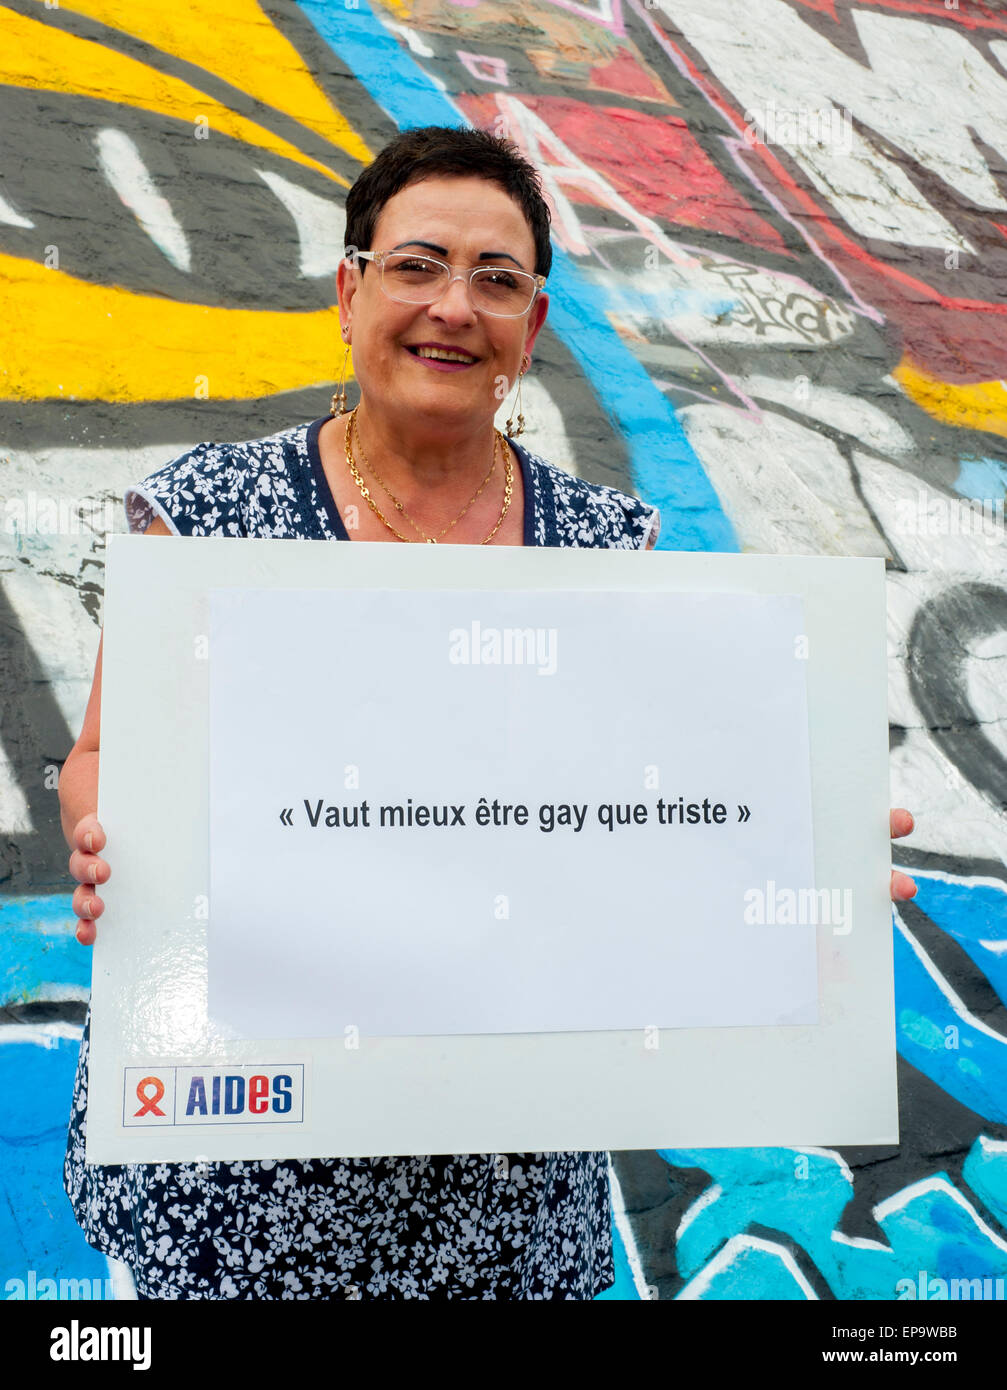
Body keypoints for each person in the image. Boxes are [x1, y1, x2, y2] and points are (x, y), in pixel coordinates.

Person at [59, 125, 918, 1300]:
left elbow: (651, 827)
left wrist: (802, 878)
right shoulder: (206, 517)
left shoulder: (611, 549)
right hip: (234, 1187)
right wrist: (111, 840)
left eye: (496, 279)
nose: (452, 307)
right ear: (349, 289)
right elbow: (104, 755)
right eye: (415, 265)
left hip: (502, 1201)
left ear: (535, 324)